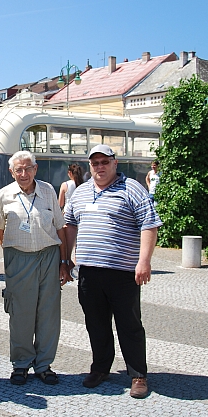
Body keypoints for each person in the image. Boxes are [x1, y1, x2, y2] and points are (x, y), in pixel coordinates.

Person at [64, 144, 162, 399]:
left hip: (123, 273)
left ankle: (138, 374)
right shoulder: (82, 192)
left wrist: (144, 261)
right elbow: (70, 224)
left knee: (129, 324)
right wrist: (67, 258)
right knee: (96, 324)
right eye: (95, 163)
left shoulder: (132, 189)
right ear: (90, 166)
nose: (100, 167)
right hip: (89, 273)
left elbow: (149, 225)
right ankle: (100, 368)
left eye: (104, 162)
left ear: (114, 163)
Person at [0, 151, 71, 386]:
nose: (24, 173)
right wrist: (13, 254)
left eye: (28, 168)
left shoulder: (47, 191)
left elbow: (60, 227)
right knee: (20, 314)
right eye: (19, 170)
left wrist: (64, 261)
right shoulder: (4, 195)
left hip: (48, 257)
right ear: (12, 172)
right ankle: (21, 364)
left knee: (48, 313)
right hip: (19, 259)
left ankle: (44, 365)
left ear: (35, 169)